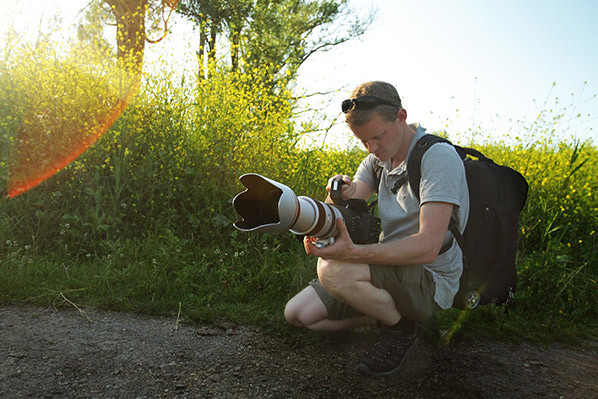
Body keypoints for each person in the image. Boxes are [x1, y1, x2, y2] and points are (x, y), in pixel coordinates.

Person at [284, 81, 469, 378]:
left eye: (377, 137)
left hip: (429, 276)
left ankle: (402, 329)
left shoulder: (437, 158)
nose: (372, 148)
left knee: (333, 271)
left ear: (401, 117)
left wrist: (354, 253)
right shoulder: (377, 160)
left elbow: (428, 246)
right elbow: (348, 203)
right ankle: (390, 317)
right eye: (363, 141)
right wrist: (338, 193)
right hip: (388, 268)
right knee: (299, 315)